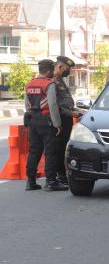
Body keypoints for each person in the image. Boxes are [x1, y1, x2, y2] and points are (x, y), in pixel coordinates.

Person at [25, 59, 68, 191]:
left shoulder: (30, 84)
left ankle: (30, 182)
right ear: (49, 71)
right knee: (50, 151)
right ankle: (51, 181)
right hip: (46, 121)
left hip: (33, 121)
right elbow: (53, 105)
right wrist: (57, 124)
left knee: (34, 151)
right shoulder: (49, 84)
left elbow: (27, 106)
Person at [54, 56, 79, 185]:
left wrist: (77, 110)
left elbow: (66, 102)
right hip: (61, 119)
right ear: (60, 66)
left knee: (64, 147)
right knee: (60, 148)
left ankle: (62, 174)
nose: (68, 71)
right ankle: (60, 175)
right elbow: (56, 105)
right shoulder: (53, 81)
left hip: (67, 117)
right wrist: (71, 113)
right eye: (67, 68)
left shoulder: (60, 80)